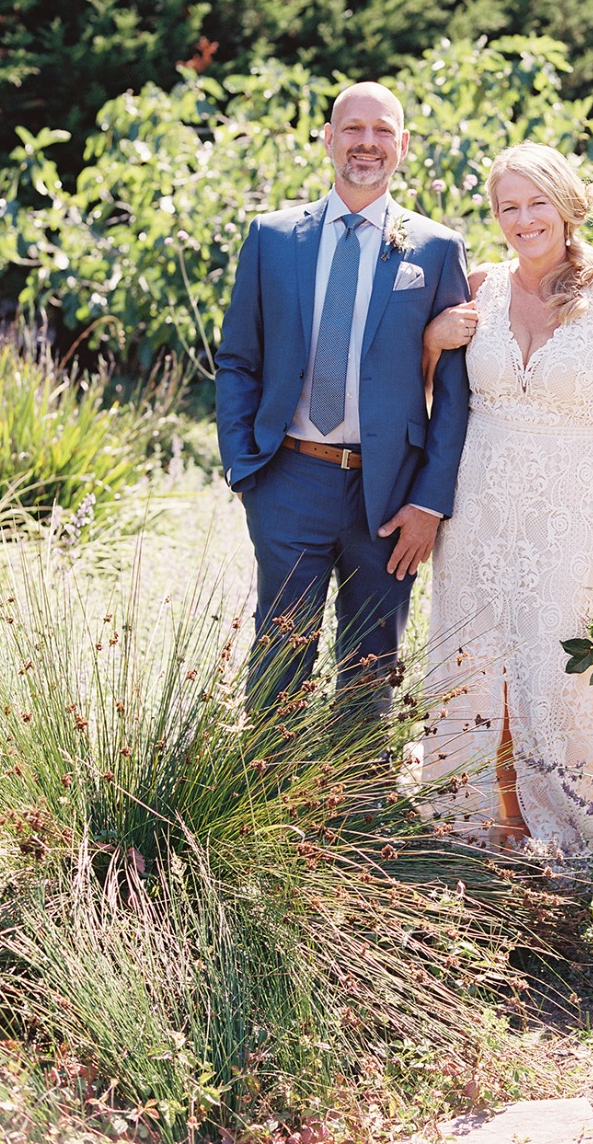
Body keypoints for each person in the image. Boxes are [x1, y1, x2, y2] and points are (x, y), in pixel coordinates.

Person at [420, 142, 593, 849]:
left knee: (562, 669)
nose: (524, 219)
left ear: (566, 207)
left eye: (537, 203)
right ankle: (493, 830)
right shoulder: (479, 286)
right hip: (477, 512)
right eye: (509, 206)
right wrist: (434, 340)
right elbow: (422, 393)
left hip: (568, 514)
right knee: (477, 664)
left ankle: (584, 831)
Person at [216, 81, 470, 721]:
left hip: (389, 493)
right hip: (289, 477)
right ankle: (265, 804)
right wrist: (245, 469)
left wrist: (429, 503)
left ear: (403, 146)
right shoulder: (274, 238)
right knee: (279, 656)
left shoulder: (436, 249)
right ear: (328, 139)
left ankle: (357, 812)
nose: (367, 143)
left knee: (371, 664)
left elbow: (457, 392)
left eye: (383, 131)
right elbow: (239, 360)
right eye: (353, 129)